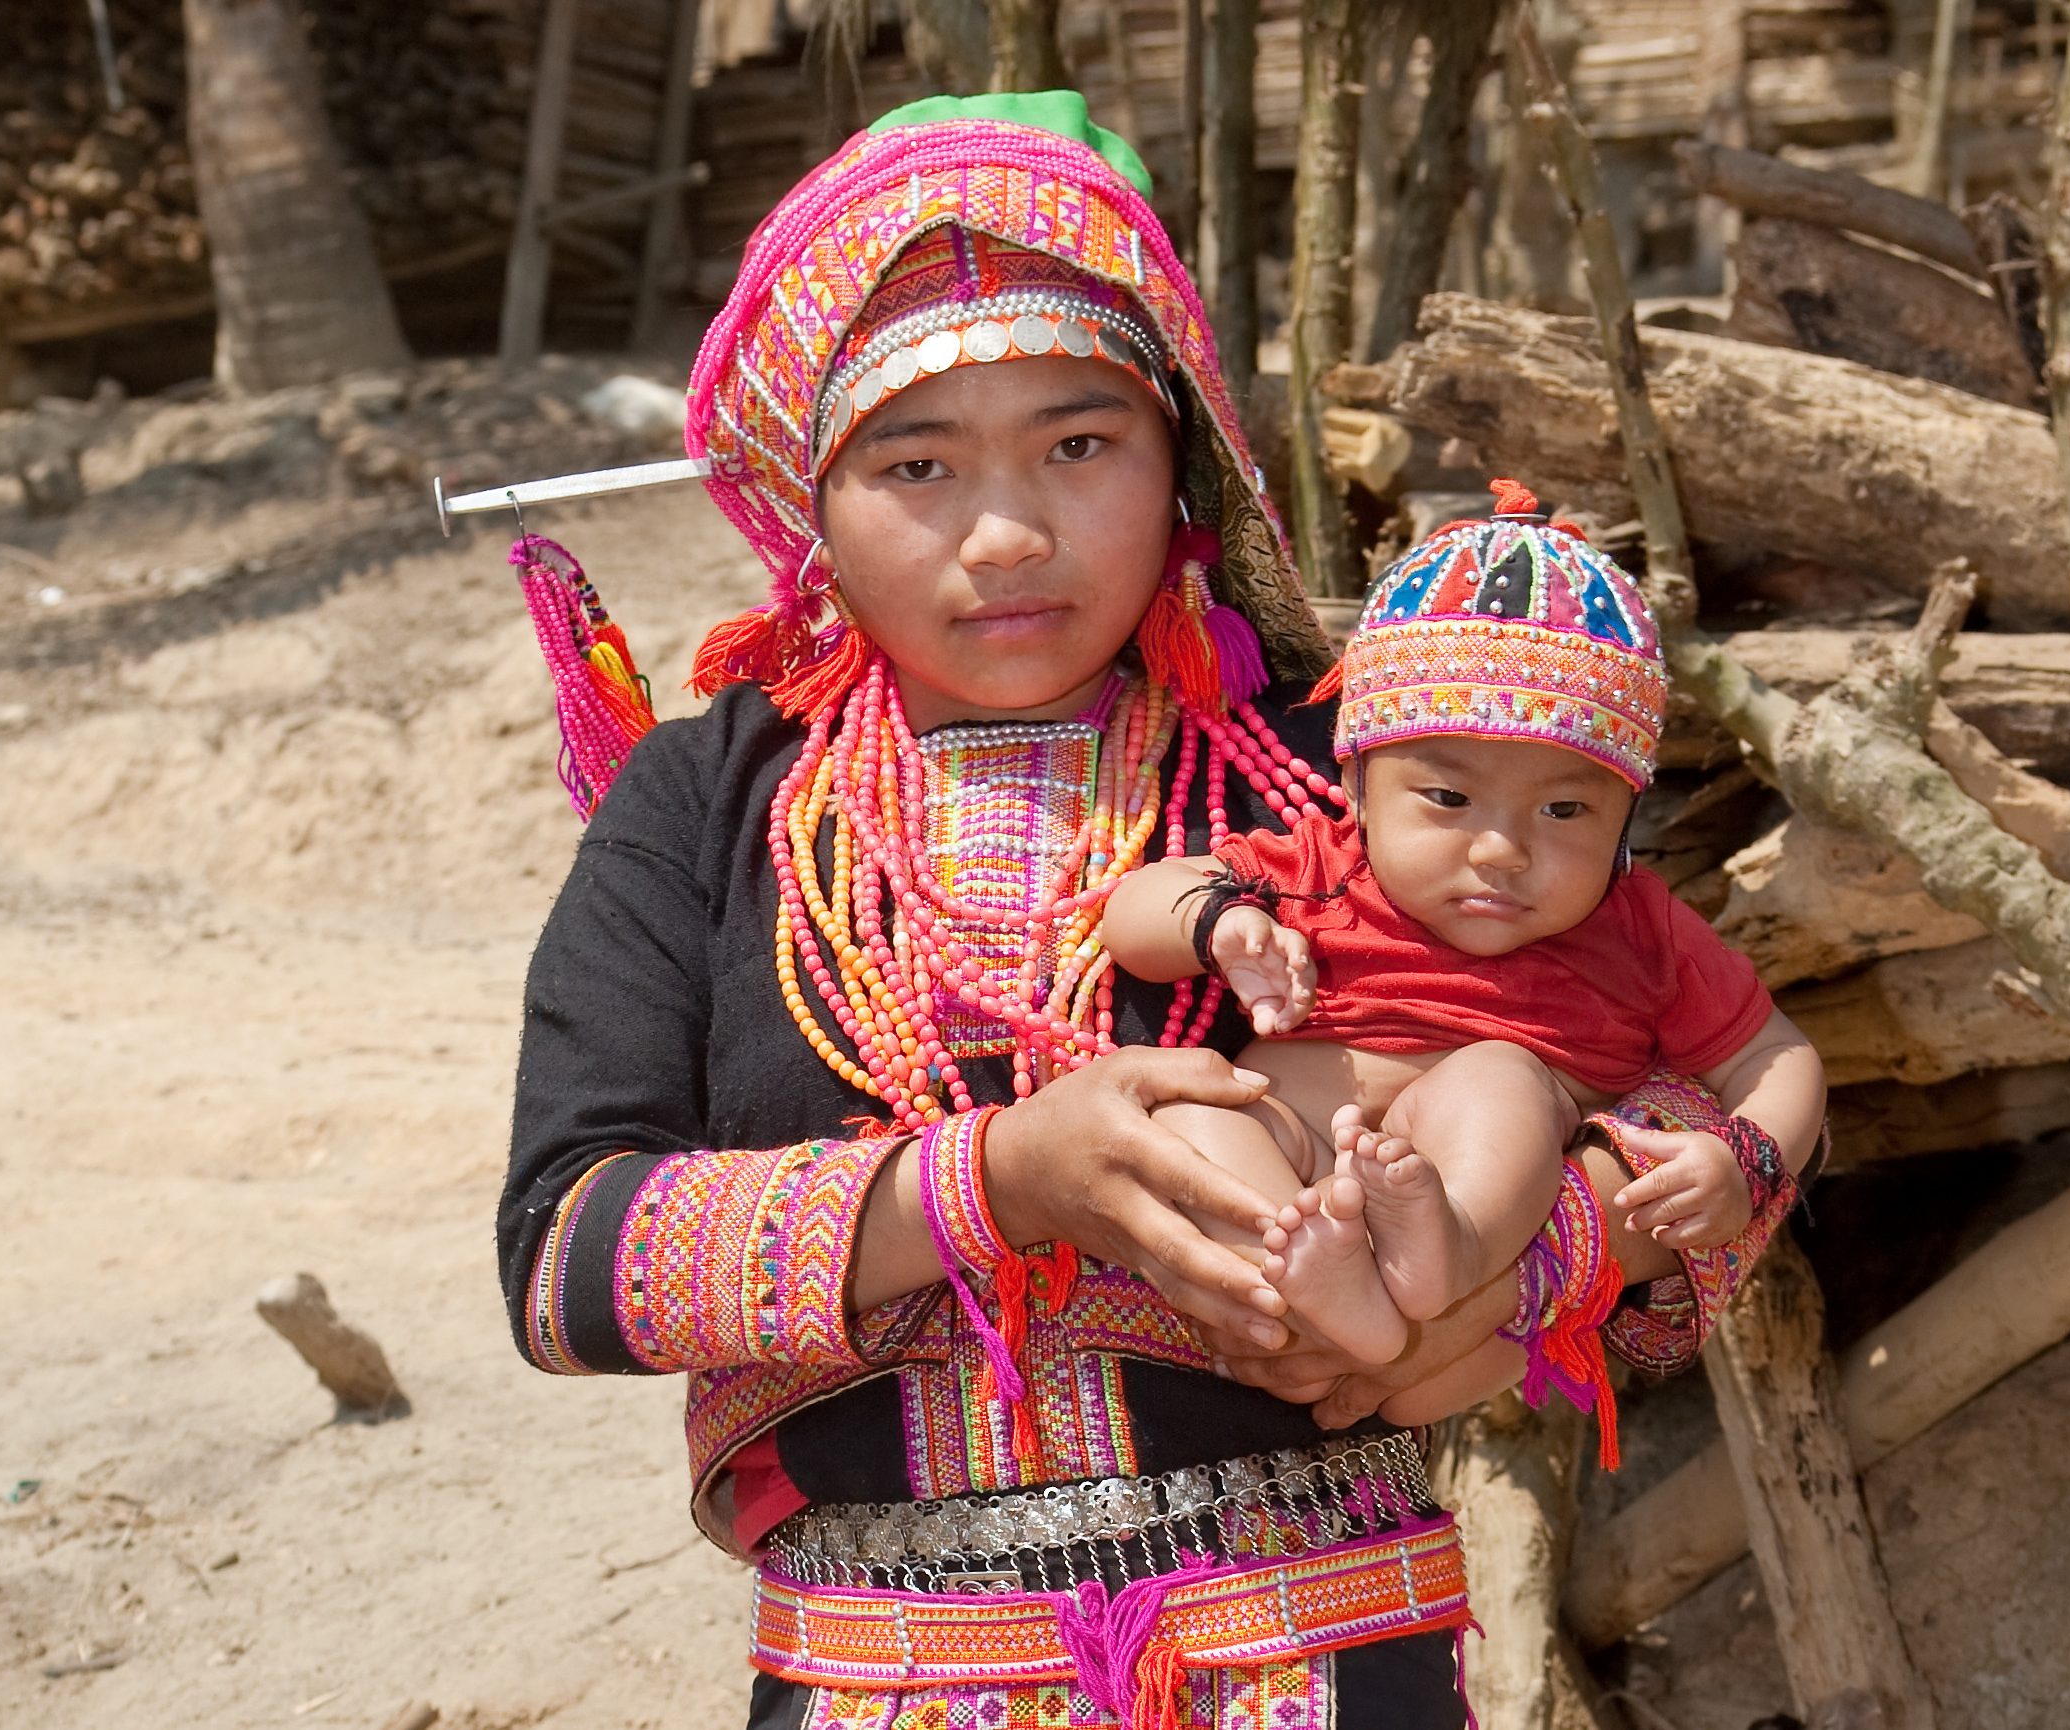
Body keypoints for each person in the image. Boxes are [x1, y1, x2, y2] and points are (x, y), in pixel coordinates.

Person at [497, 93, 1797, 1730]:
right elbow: (563, 1261)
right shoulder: (704, 808)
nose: (1006, 532)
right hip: (878, 1683)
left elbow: (1680, 1068)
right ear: (805, 503)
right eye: (913, 463)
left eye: (1077, 443)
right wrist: (1008, 1181)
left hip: (1334, 1659)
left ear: (1180, 454)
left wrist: (1546, 1251)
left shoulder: (1350, 777)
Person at [1100, 494, 1828, 1430]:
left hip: (1486, 1255)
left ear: (1625, 821)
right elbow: (1132, 915)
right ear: (1358, 785)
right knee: (1201, 1110)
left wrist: (1748, 1158)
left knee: (1498, 1077)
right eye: (1447, 797)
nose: (1502, 851)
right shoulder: (1324, 865)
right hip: (1302, 1175)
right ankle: (1304, 1274)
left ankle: (1436, 1250)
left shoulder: (1639, 927)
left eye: (1564, 813)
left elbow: (1777, 1056)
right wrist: (1220, 926)